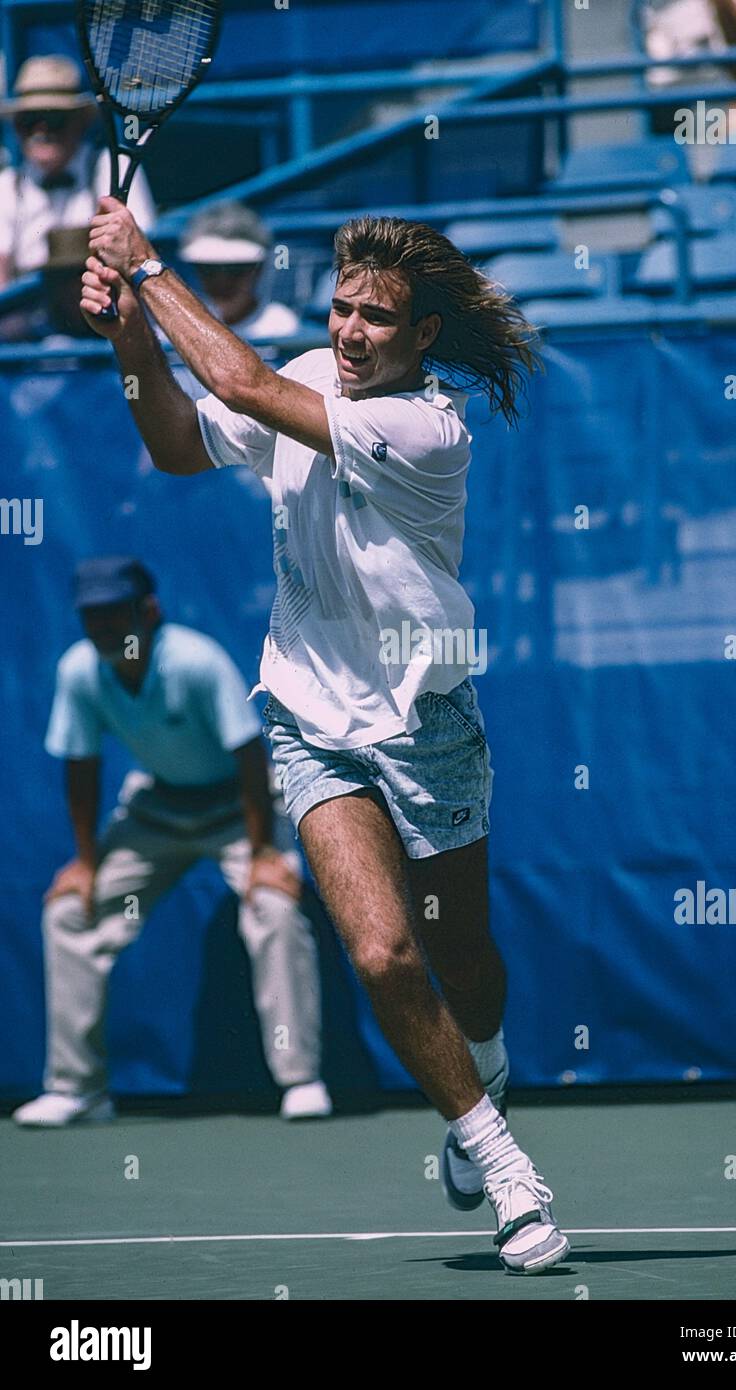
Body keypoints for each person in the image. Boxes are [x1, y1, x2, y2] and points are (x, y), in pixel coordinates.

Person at [79, 202, 570, 1275]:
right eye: (342, 308)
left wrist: (148, 267)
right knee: (382, 952)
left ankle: (481, 1073)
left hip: (426, 720)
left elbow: (245, 386)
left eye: (378, 319)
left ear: (424, 335)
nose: (351, 332)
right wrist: (128, 328)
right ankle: (505, 1167)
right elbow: (173, 443)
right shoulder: (308, 370)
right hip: (307, 716)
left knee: (462, 960)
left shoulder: (428, 429)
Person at [14, 557, 331, 1128]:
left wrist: (262, 854)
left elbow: (248, 758)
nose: (103, 628)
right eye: (92, 617)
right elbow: (81, 767)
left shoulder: (197, 661)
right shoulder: (80, 672)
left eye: (115, 614)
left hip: (241, 808)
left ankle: (300, 1078)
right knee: (69, 912)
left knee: (275, 908)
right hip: (156, 810)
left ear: (149, 611)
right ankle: (79, 1089)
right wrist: (86, 863)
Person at [0, 56, 155, 291]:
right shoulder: (6, 185)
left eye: (54, 119)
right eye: (29, 121)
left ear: (79, 122)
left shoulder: (114, 169)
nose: (41, 131)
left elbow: (140, 254)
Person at [178, 201, 300, 340]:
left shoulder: (281, 325)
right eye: (208, 269)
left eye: (236, 269)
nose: (222, 282)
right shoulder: (183, 320)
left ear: (258, 270)